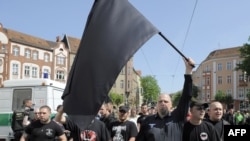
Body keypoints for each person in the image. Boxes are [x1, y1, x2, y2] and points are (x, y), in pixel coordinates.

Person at [136, 57, 195, 141]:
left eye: (166, 101)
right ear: (157, 104)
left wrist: (188, 72)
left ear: (171, 104)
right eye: (160, 101)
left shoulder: (178, 116)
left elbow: (186, 96)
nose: (162, 103)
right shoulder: (148, 121)